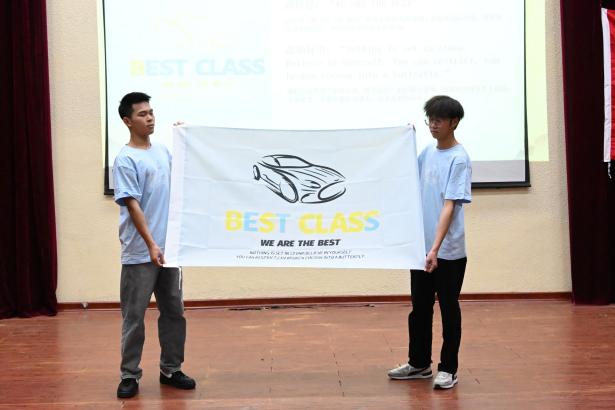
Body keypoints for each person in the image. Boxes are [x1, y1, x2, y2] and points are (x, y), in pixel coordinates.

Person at [113, 92, 195, 398]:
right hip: (140, 252)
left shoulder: (162, 151)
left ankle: (171, 368)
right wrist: (150, 244)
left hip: (170, 250)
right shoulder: (126, 159)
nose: (149, 118)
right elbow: (132, 205)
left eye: (151, 112)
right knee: (134, 316)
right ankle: (129, 374)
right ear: (127, 121)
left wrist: (186, 141)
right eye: (142, 114)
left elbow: (184, 178)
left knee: (174, 311)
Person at [388, 95, 472, 389]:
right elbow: (406, 177)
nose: (433, 125)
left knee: (449, 309)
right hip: (422, 249)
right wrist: (401, 141)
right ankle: (419, 363)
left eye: (439, 120)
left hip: (447, 252)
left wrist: (435, 248)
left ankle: (448, 369)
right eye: (430, 120)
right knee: (420, 309)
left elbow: (449, 206)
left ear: (454, 123)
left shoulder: (459, 159)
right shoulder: (427, 152)